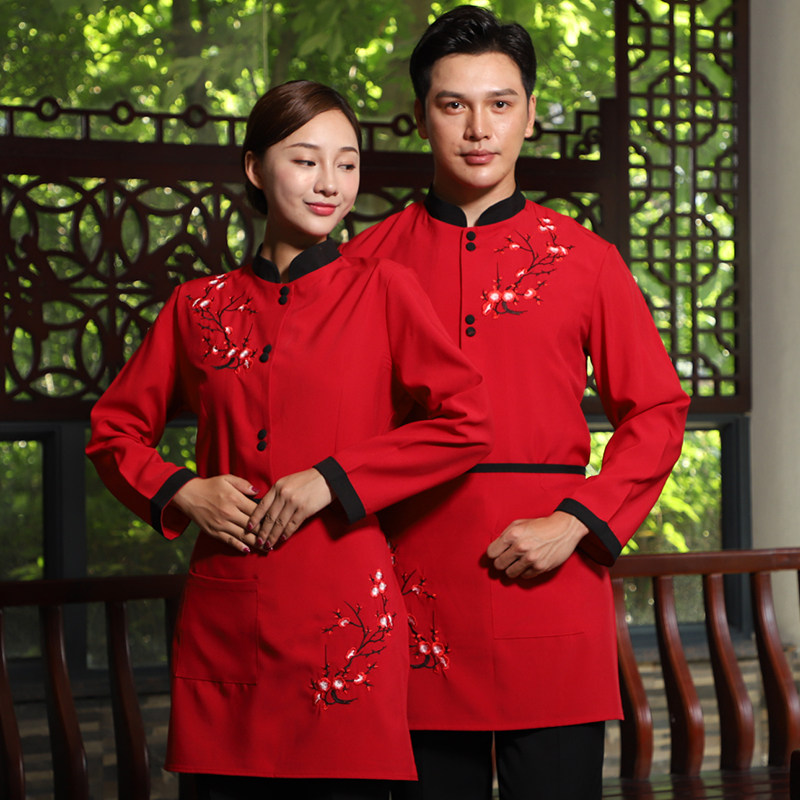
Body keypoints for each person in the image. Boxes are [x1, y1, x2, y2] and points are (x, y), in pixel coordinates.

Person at [86, 80, 492, 800]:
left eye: (347, 163)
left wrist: (331, 478)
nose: (330, 183)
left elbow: (466, 422)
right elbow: (113, 431)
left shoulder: (384, 289)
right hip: (226, 615)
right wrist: (185, 491)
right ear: (255, 167)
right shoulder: (196, 307)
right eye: (306, 160)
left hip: (346, 621)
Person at [342, 7, 690, 800]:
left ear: (530, 115)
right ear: (420, 116)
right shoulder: (364, 263)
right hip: (408, 591)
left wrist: (576, 522)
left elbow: (656, 412)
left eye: (500, 104)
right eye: (453, 105)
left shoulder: (588, 260)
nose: (478, 129)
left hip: (552, 583)